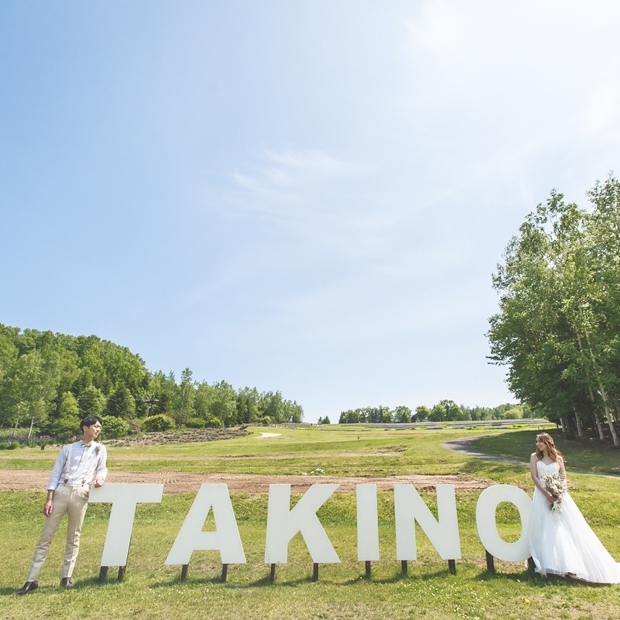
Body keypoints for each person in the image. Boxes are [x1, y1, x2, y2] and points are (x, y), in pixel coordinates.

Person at [16, 415, 108, 594]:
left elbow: (102, 468)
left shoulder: (100, 449)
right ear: (85, 428)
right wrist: (49, 498)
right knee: (46, 536)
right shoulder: (68, 449)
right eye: (95, 426)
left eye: (99, 427)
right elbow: (56, 472)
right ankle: (31, 579)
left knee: (74, 536)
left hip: (81, 492)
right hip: (62, 490)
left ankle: (67, 577)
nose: (98, 429)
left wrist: (100, 478)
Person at [528, 432, 620, 583]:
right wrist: (545, 493)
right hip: (541, 495)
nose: (538, 444)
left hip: (558, 496)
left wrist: (559, 493)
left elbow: (563, 477)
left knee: (564, 527)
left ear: (548, 442)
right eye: (537, 441)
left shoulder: (557, 458)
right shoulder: (534, 457)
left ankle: (569, 564)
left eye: (540, 441)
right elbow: (534, 476)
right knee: (545, 527)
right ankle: (549, 563)